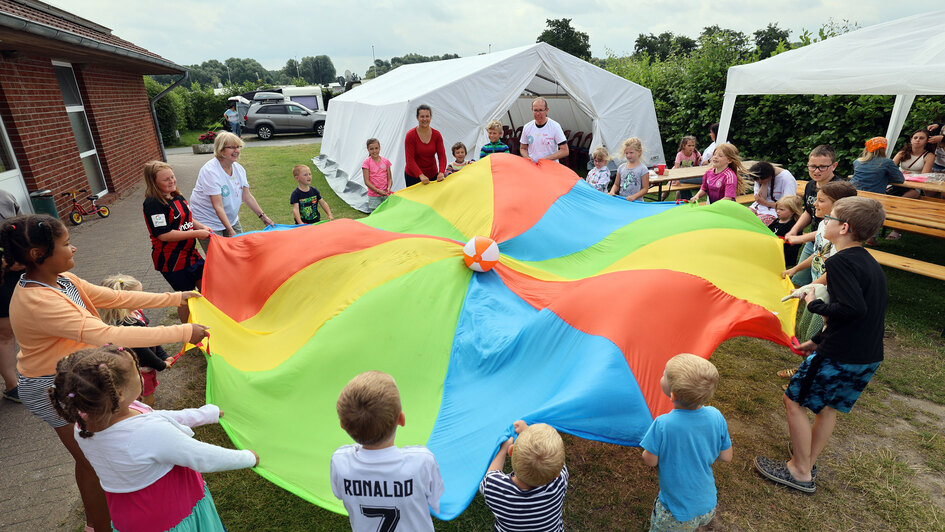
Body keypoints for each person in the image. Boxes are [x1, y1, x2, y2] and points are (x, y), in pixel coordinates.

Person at [1, 214, 209, 532]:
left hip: (72, 375)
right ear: (37, 255)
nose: (74, 248)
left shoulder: (62, 280)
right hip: (51, 386)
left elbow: (115, 297)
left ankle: (99, 522)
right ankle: (98, 525)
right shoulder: (37, 300)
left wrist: (175, 297)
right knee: (94, 459)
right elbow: (107, 334)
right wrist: (183, 331)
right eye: (66, 243)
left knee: (93, 458)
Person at [756, 196, 888, 494]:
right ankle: (807, 460)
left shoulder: (839, 262)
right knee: (827, 409)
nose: (823, 222)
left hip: (840, 356)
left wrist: (813, 302)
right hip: (865, 355)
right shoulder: (867, 263)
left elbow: (852, 310)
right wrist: (816, 341)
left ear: (843, 227)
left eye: (829, 219)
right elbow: (858, 317)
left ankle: (800, 471)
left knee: (794, 401)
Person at [51, 345, 258, 532]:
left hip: (130, 518)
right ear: (120, 393)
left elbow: (160, 417)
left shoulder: (85, 424)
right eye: (137, 372)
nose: (141, 375)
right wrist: (248, 457)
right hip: (171, 514)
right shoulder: (149, 433)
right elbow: (203, 457)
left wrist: (206, 414)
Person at [330, 371, 444, 532]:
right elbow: (436, 500)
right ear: (401, 419)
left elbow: (338, 493)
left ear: (343, 425)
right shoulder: (421, 460)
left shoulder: (340, 461)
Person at [641, 353, 732, 531]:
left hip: (675, 512)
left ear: (673, 395)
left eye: (664, 374)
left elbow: (650, 460)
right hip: (708, 505)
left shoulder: (662, 424)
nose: (662, 375)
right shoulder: (716, 415)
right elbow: (726, 456)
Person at [782, 181, 858, 344]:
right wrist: (795, 269)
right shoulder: (825, 224)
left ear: (839, 205)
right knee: (804, 329)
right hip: (815, 289)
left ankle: (809, 367)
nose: (814, 204)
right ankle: (803, 366)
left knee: (817, 337)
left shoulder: (841, 237)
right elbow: (819, 254)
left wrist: (807, 288)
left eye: (821, 201)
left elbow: (832, 272)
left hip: (828, 296)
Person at [142, 161, 211, 323]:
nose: (172, 181)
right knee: (185, 297)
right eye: (166, 179)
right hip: (172, 261)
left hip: (190, 255)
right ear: (154, 182)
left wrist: (202, 227)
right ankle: (188, 333)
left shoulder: (176, 195)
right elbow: (163, 234)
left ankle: (207, 322)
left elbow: (187, 218)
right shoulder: (153, 203)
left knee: (208, 287)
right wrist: (196, 233)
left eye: (172, 177)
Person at [190, 132, 274, 252]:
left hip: (230, 218)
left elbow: (247, 197)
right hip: (207, 221)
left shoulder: (239, 169)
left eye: (238, 147)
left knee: (241, 251)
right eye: (232, 147)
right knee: (218, 258)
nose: (236, 151)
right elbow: (217, 206)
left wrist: (263, 217)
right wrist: (230, 230)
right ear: (221, 149)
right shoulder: (210, 171)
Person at [480, 420, 568, 532]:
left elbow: (490, 474)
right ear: (557, 474)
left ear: (510, 451)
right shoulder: (559, 482)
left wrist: (503, 449)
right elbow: (558, 462)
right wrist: (528, 432)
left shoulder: (496, 490)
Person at [99, 274, 172, 407]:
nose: (143, 298)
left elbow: (151, 336)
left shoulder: (136, 313)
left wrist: (163, 355)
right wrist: (161, 364)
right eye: (139, 296)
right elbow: (142, 351)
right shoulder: (125, 324)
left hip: (147, 365)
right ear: (124, 300)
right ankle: (145, 414)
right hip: (139, 369)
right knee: (145, 395)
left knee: (142, 393)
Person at [784, 145, 844, 286]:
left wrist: (800, 238)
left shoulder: (839, 189)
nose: (816, 171)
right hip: (813, 242)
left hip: (831, 245)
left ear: (834, 166)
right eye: (812, 166)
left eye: (822, 167)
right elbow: (808, 211)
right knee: (798, 280)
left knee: (821, 284)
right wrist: (794, 230)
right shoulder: (810, 185)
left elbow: (832, 226)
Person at [0, 189, 22, 402]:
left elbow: (24, 230)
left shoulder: (5, 196)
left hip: (21, 273)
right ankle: (11, 386)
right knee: (5, 333)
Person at [404, 104, 446, 186]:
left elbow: (442, 156)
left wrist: (441, 172)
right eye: (422, 116)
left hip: (432, 175)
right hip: (413, 176)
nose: (425, 119)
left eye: (427, 116)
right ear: (417, 117)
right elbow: (410, 160)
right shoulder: (410, 135)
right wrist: (421, 175)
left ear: (431, 117)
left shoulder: (437, 134)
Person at [519, 97, 569, 164]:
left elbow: (565, 150)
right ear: (532, 110)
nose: (538, 113)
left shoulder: (555, 126)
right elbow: (523, 148)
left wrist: (545, 159)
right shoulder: (527, 127)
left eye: (541, 110)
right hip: (533, 167)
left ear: (547, 110)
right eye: (535, 110)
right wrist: (528, 158)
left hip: (550, 167)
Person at [768, 195, 805, 269]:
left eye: (781, 209)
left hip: (785, 260)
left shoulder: (794, 227)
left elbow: (795, 246)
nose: (778, 211)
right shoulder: (777, 221)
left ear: (792, 211)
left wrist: (783, 257)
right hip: (773, 254)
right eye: (777, 209)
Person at [361, 138, 393, 213]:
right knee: (376, 215)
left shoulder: (386, 162)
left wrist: (388, 187)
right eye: (371, 149)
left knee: (386, 213)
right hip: (374, 196)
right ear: (368, 150)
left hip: (385, 194)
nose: (374, 151)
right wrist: (378, 191)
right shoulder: (366, 163)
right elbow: (366, 181)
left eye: (376, 148)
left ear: (380, 148)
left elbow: (390, 179)